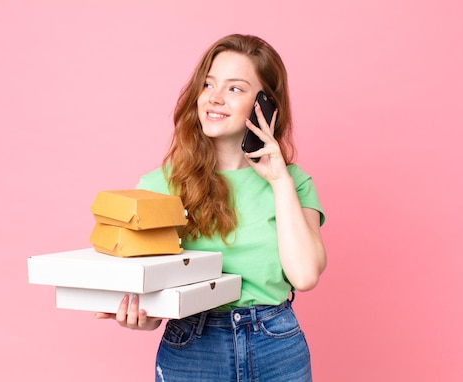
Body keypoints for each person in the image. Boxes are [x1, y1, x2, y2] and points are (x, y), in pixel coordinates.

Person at [95, 33, 327, 382]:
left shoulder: (294, 184)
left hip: (276, 345)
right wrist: (146, 316)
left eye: (235, 88)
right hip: (193, 346)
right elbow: (154, 283)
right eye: (208, 84)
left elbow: (305, 276)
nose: (214, 98)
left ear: (265, 105)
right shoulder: (159, 188)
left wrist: (280, 181)